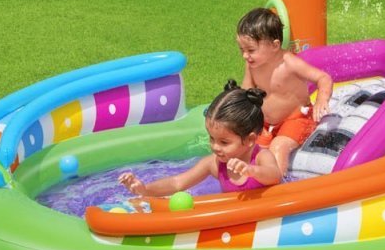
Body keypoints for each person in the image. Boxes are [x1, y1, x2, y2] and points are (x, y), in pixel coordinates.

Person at [119, 80, 282, 197]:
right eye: (212, 138)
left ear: (250, 140)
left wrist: (251, 171)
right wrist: (145, 189)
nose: (215, 147)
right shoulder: (214, 164)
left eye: (224, 142)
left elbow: (275, 175)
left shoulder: (261, 157)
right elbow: (177, 182)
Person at [235, 7, 333, 173]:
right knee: (248, 146)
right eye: (242, 50)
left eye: (250, 50)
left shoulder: (290, 63)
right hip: (266, 124)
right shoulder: (252, 65)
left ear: (275, 45)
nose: (245, 55)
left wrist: (321, 100)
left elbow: (323, 78)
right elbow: (247, 91)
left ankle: (276, 183)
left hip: (297, 119)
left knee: (278, 146)